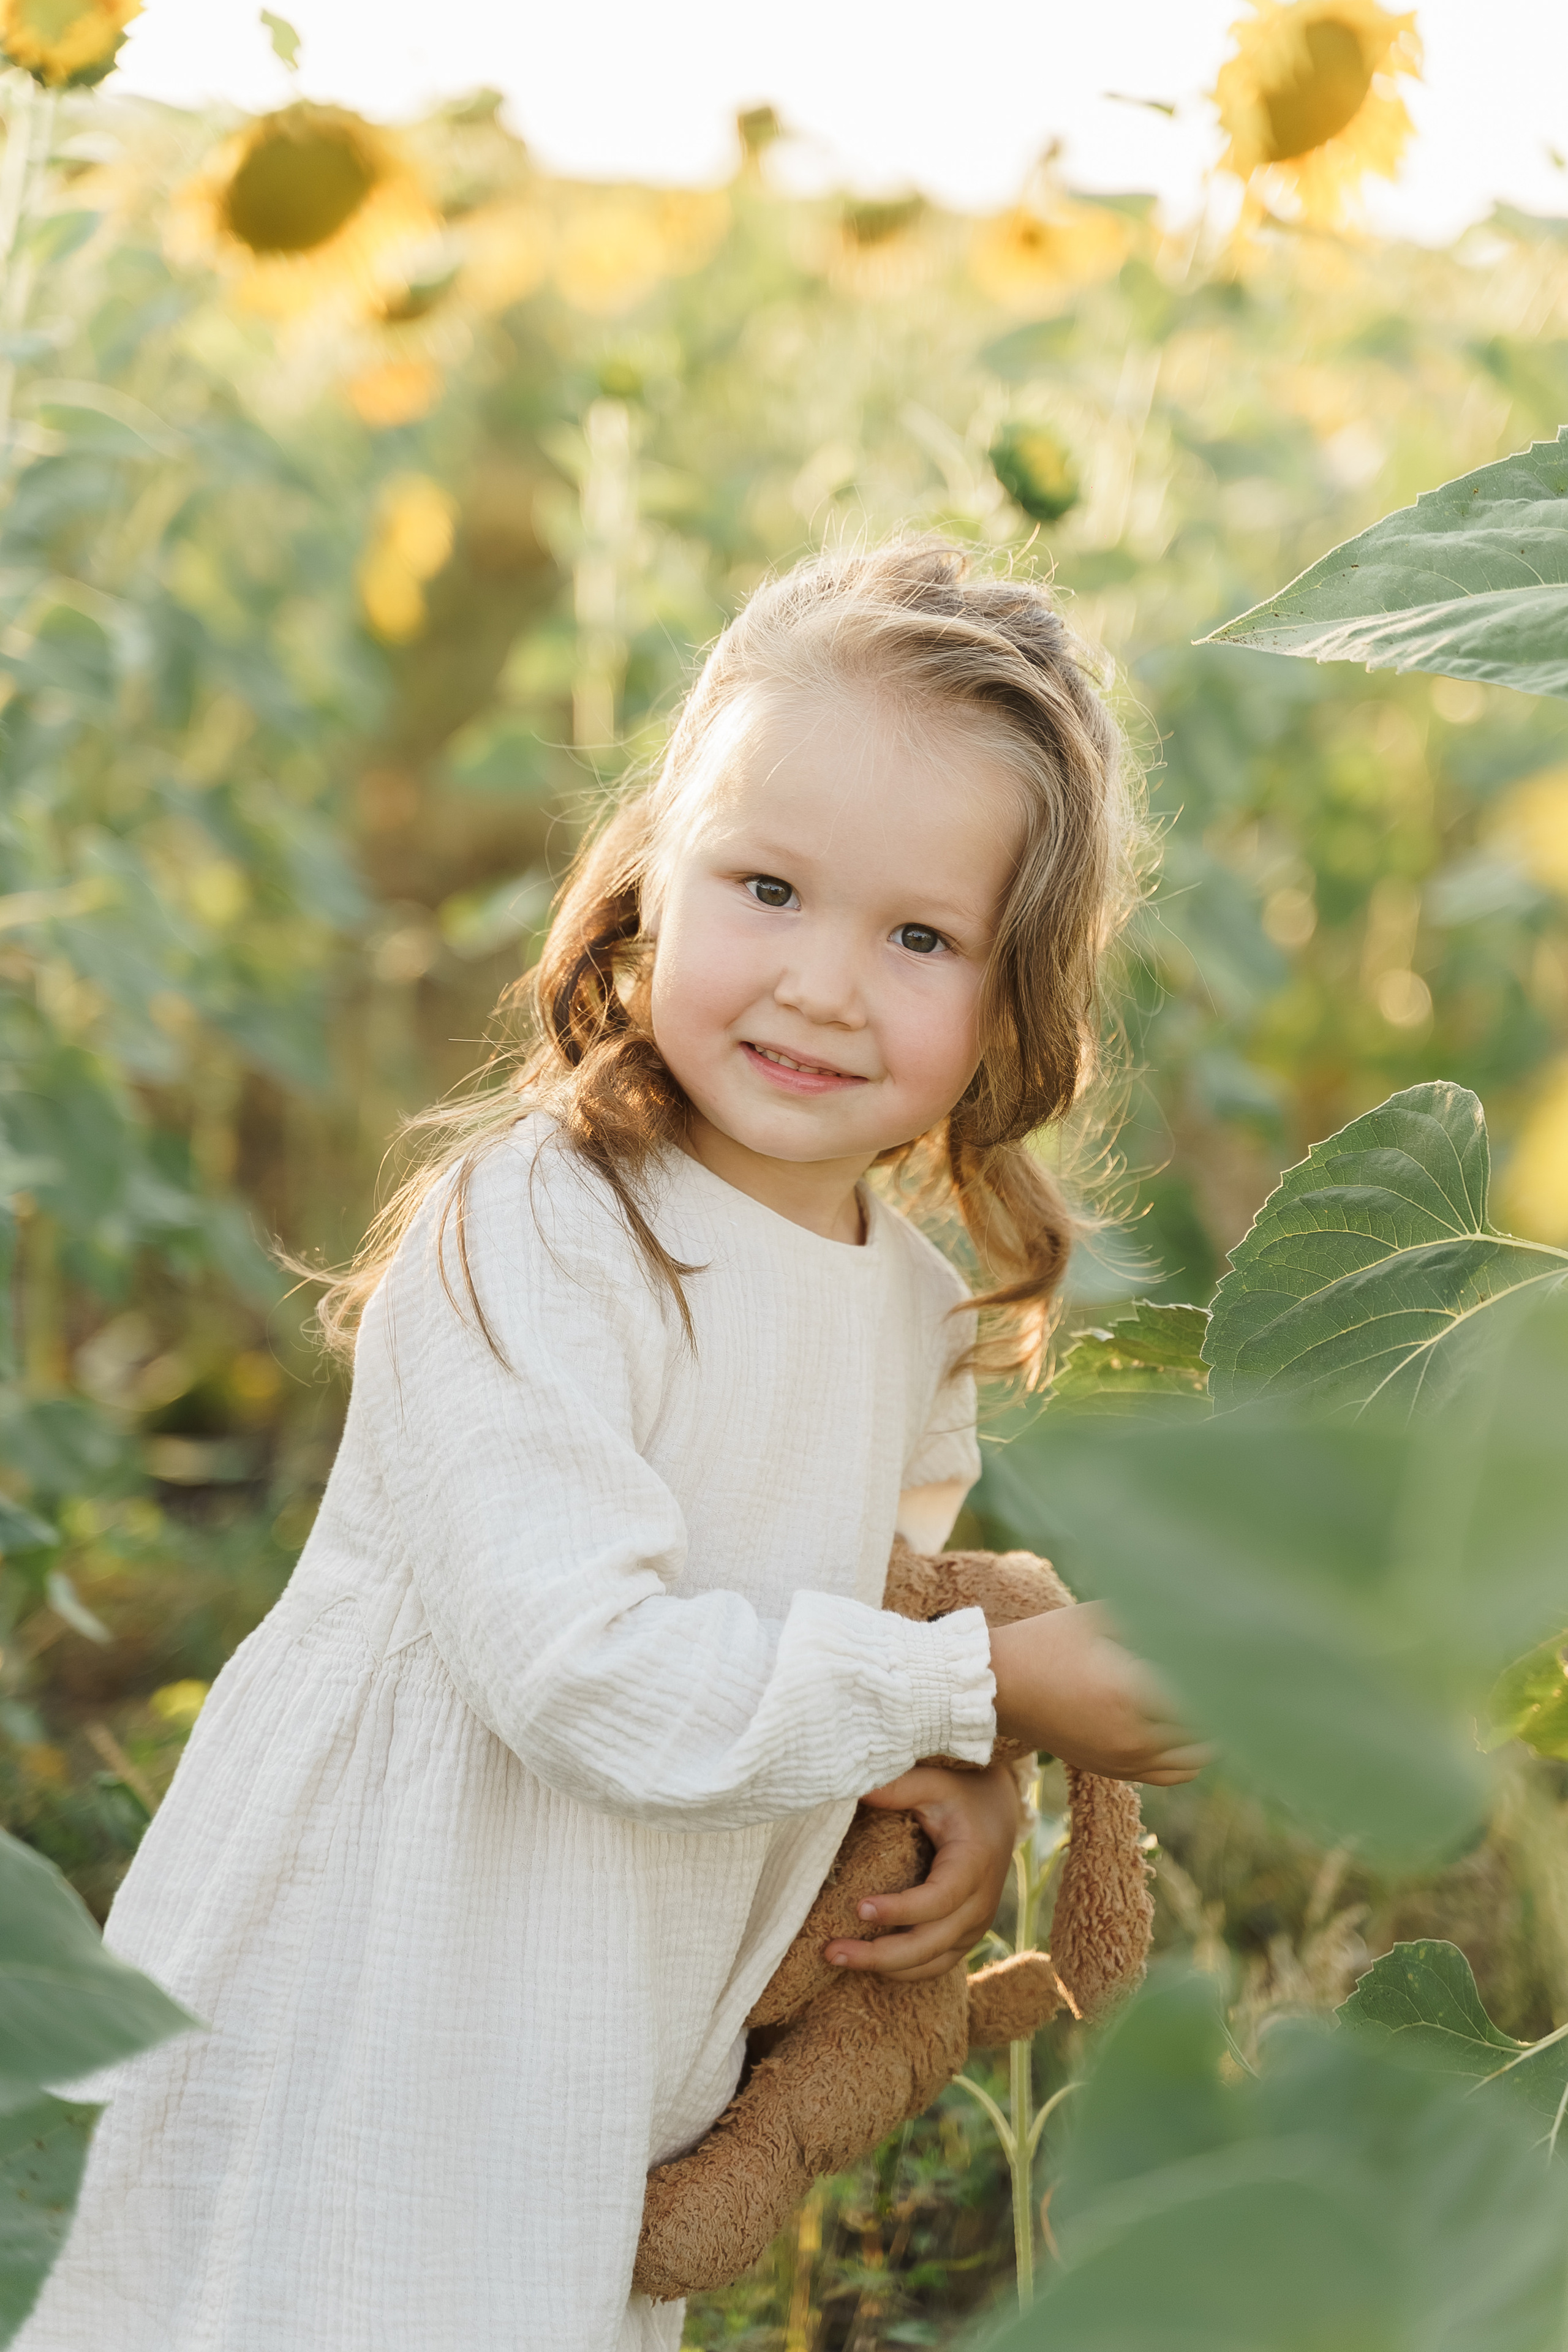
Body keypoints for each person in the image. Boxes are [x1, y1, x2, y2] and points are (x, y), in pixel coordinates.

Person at [19, 540, 1205, 2352]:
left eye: (915, 936)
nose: (821, 982)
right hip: (392, 1978)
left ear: (1009, 997)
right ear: (654, 878)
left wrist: (945, 1770)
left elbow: (862, 1604)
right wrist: (987, 1689)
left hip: (607, 2009)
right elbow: (583, 1674)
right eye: (768, 886)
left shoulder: (900, 1303)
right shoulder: (542, 1228)